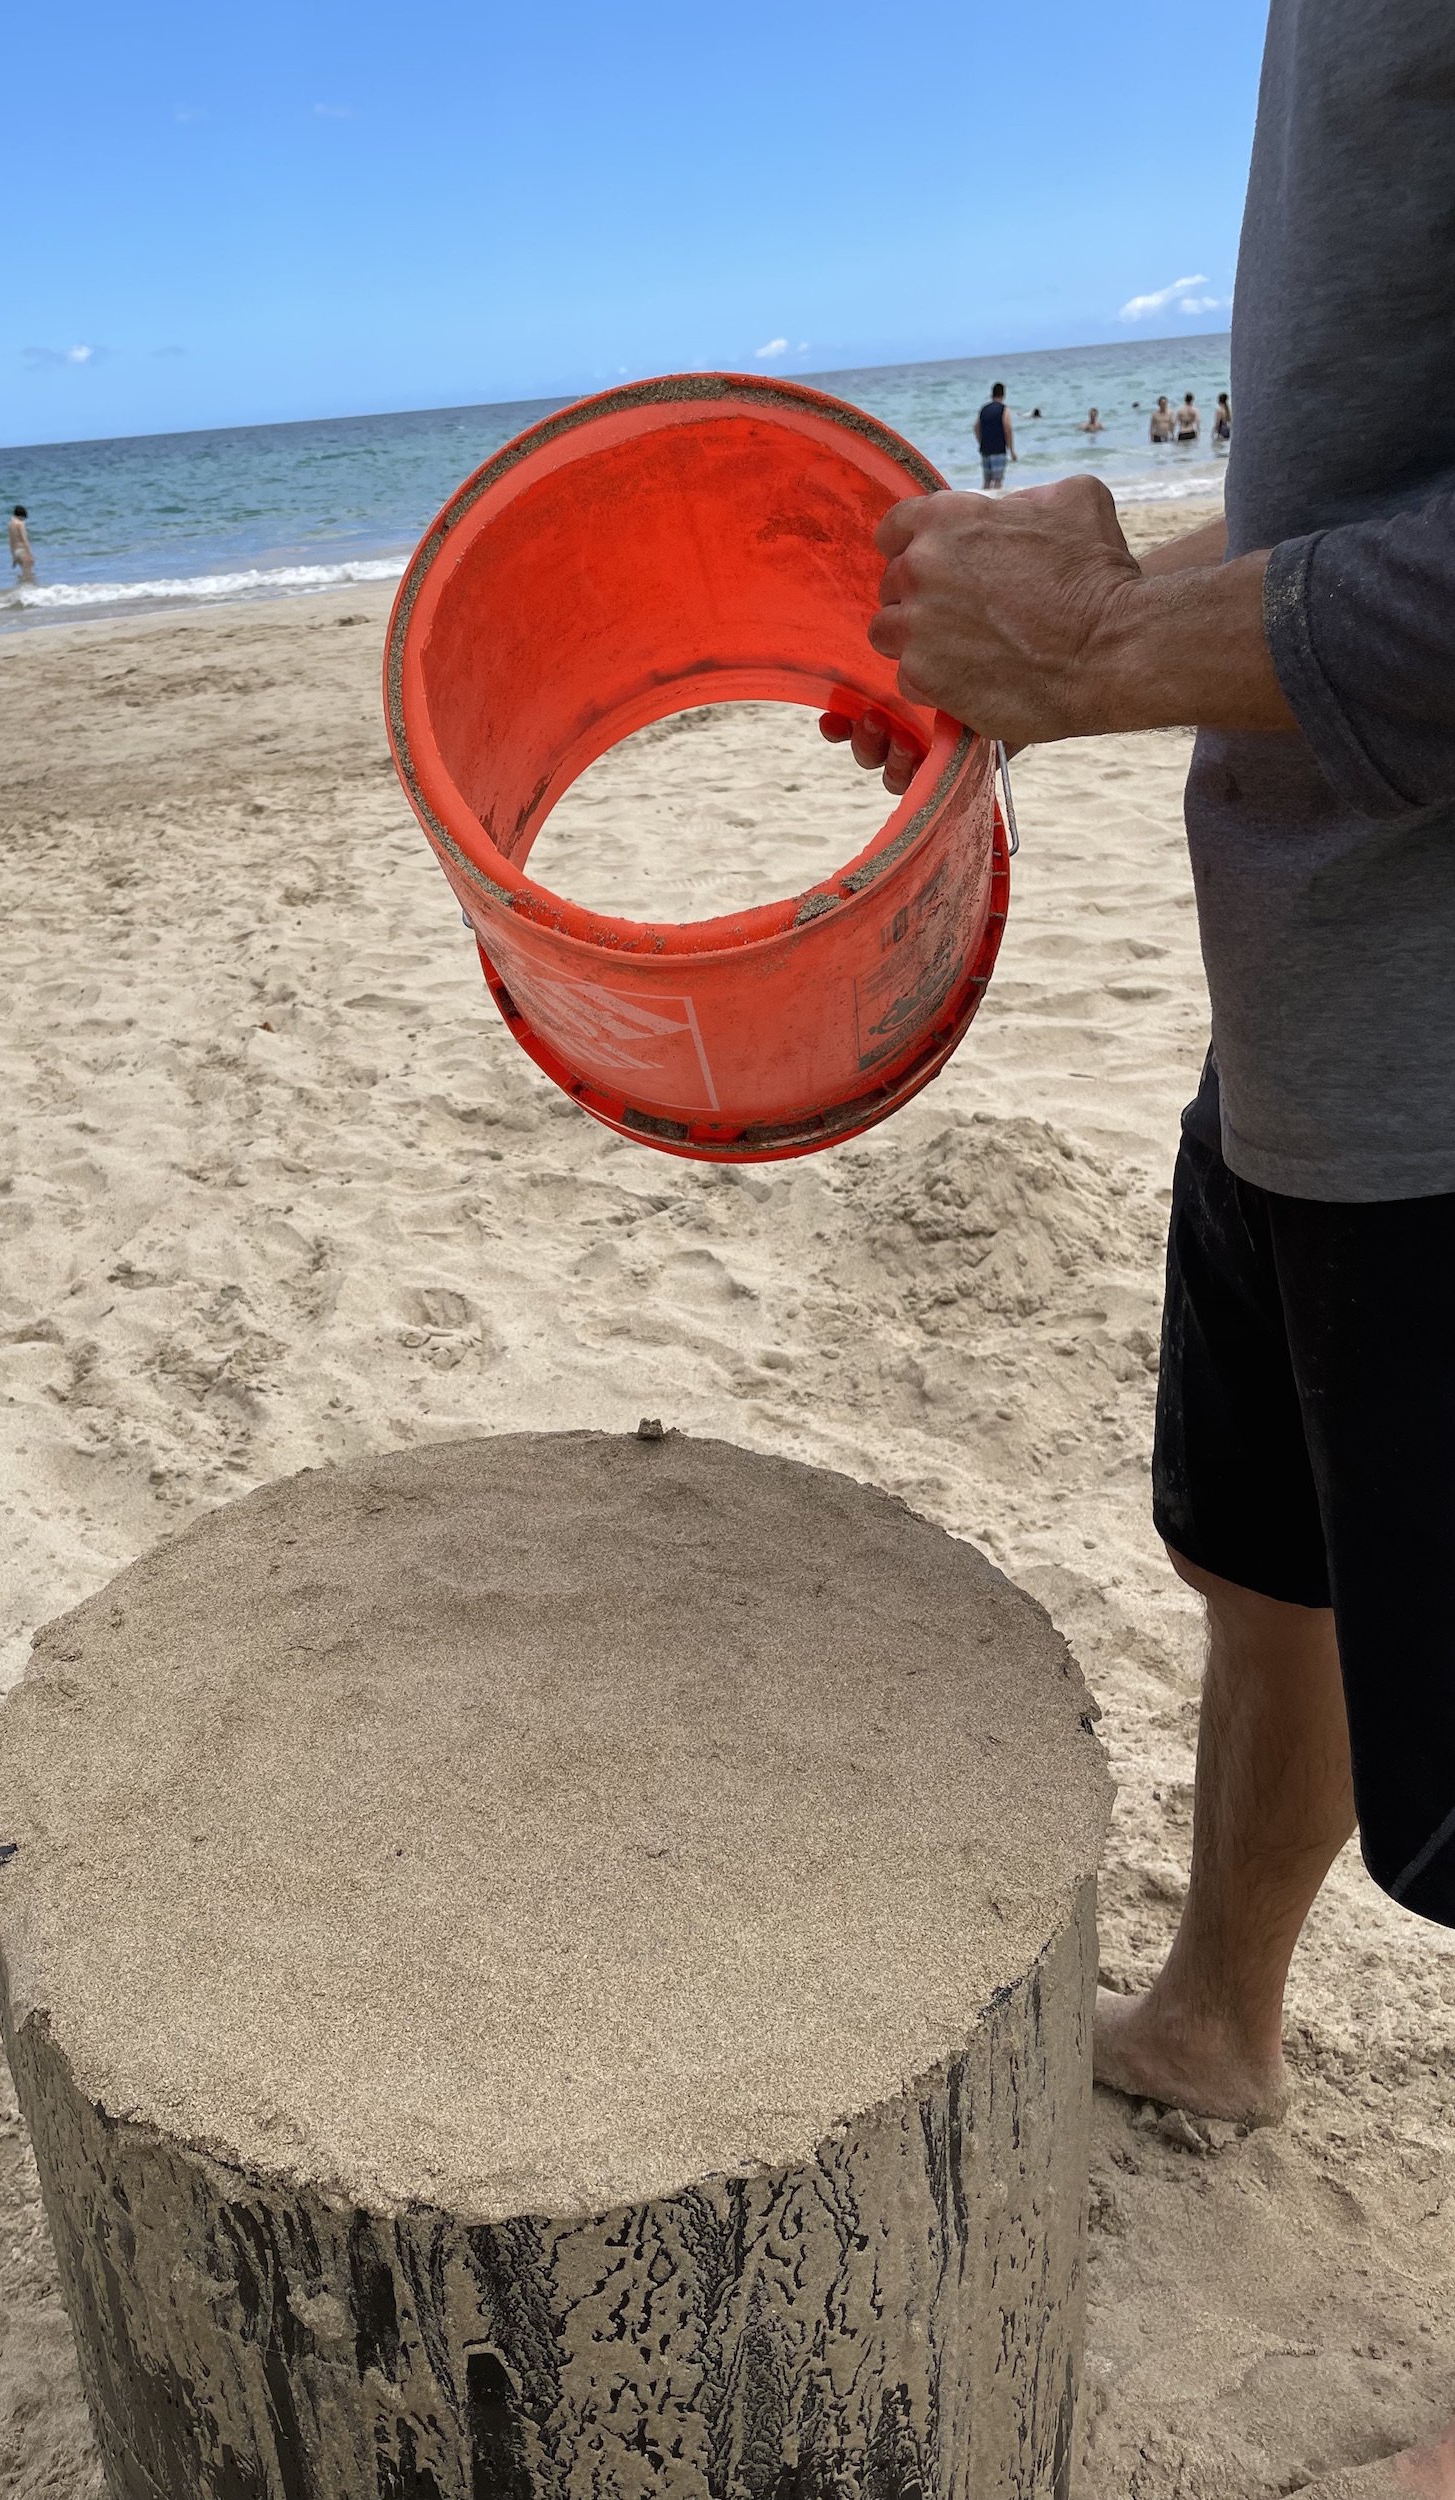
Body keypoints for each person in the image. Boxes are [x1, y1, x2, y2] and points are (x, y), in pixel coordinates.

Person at [824, 4, 1455, 2489]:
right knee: (1261, 1551)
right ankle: (1217, 2006)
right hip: (1315, 998)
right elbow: (1368, 479)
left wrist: (1094, 649)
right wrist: (1060, 660)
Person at [974, 383, 1015, 491]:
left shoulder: (984, 409)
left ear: (992, 394)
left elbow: (976, 427)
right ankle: (994, 505)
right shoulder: (1004, 409)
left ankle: (982, 504)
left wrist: (981, 442)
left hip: (985, 450)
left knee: (986, 482)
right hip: (998, 450)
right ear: (1003, 394)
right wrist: (1011, 450)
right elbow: (1007, 428)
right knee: (997, 482)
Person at [8, 505, 35, 583]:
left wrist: (13, 557)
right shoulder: (20, 524)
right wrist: (30, 554)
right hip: (23, 550)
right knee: (29, 576)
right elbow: (24, 539)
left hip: (16, 552)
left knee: (24, 574)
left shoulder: (10, 524)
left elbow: (11, 541)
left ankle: (21, 592)